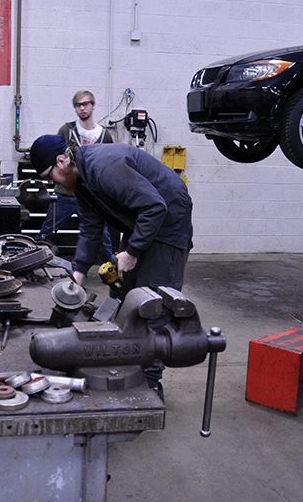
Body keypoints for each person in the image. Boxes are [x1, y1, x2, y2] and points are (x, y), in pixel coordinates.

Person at [29, 134, 194, 397]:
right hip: (140, 220)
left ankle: (150, 386)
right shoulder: (82, 182)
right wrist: (80, 270)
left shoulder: (104, 167)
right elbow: (91, 226)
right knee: (126, 295)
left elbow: (155, 206)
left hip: (168, 222)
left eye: (50, 177)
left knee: (155, 304)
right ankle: (125, 361)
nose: (54, 185)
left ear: (61, 161)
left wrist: (133, 250)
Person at [36, 90, 115, 265]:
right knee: (46, 231)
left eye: (86, 104)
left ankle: (112, 271)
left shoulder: (105, 135)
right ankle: (34, 262)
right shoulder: (67, 131)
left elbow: (109, 164)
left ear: (93, 106)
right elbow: (56, 156)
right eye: (78, 105)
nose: (82, 108)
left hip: (92, 196)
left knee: (102, 237)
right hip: (65, 194)